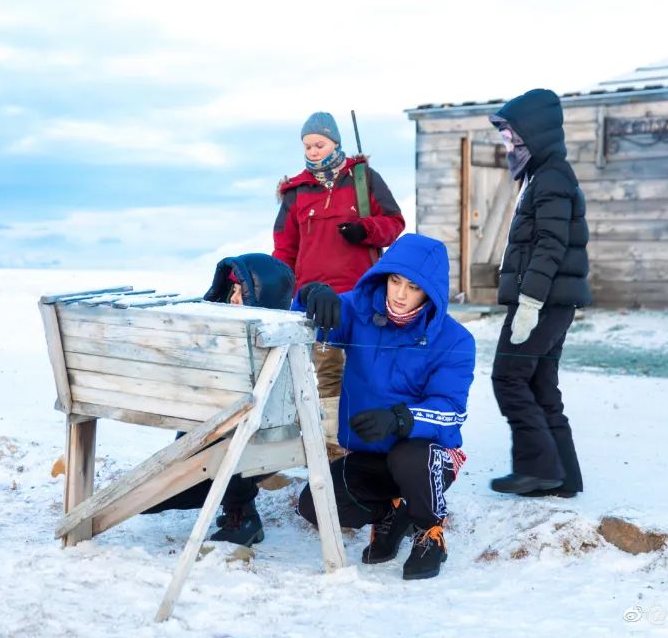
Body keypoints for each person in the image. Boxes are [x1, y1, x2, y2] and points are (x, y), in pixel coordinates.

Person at [292, 234, 475, 580]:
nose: (400, 294)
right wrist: (310, 295)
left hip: (425, 457)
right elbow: (301, 326)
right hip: (370, 453)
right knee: (313, 505)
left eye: (413, 286)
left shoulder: (455, 340)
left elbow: (451, 412)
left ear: (430, 291)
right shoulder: (360, 311)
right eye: (395, 280)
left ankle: (430, 531)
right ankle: (391, 513)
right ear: (384, 276)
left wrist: (399, 419)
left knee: (409, 457)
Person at [273, 111, 406, 452]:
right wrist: (282, 297)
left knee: (364, 375)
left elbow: (394, 222)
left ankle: (369, 448)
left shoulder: (363, 179)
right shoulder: (296, 192)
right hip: (315, 301)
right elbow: (284, 250)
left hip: (362, 299)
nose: (313, 151)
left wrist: (367, 230)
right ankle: (333, 453)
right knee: (327, 374)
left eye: (319, 144)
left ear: (335, 143)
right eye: (308, 145)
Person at [142, 253, 295, 546]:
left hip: (254, 441)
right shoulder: (227, 339)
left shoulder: (272, 342)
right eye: (233, 291)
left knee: (230, 429)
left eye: (242, 292)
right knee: (153, 493)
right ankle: (238, 508)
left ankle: (243, 515)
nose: (234, 299)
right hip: (210, 439)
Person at [486, 88, 590, 498]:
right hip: (552, 300)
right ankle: (565, 478)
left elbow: (550, 244)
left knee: (508, 378)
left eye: (512, 135)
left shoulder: (550, 178)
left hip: (542, 302)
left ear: (534, 134)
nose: (508, 143)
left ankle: (539, 470)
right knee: (540, 385)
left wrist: (529, 302)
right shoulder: (545, 175)